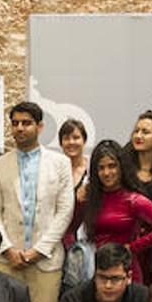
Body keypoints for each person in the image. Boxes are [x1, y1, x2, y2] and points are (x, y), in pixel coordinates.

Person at [0, 101, 75, 302]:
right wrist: (8, 249)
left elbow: (64, 211)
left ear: (39, 126)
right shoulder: (0, 164)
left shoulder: (59, 163)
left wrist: (39, 250)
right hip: (7, 261)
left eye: (26, 123)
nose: (20, 128)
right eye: (15, 123)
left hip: (45, 261)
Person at [80, 140, 152, 283]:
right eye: (101, 168)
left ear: (121, 167)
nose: (106, 173)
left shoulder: (134, 200)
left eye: (112, 166)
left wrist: (133, 247)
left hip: (126, 273)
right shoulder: (92, 198)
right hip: (96, 271)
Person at [57, 117, 92, 291]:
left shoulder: (94, 169)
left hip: (87, 241)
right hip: (59, 241)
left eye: (76, 137)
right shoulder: (55, 169)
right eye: (66, 138)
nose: (71, 142)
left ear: (84, 140)